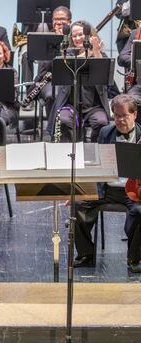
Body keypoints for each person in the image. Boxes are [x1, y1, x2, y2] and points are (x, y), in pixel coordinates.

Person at [73, 94, 141, 272]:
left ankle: (134, 259)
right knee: (77, 205)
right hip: (107, 188)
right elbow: (94, 165)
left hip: (134, 191)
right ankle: (86, 255)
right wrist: (81, 188)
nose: (119, 120)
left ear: (134, 115)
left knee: (139, 212)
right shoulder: (104, 132)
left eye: (124, 115)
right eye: (116, 116)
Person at [47, 20, 109, 143]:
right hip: (69, 105)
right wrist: (88, 53)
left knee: (102, 122)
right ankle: (67, 154)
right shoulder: (67, 54)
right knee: (63, 120)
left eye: (80, 34)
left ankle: (95, 152)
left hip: (94, 107)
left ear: (89, 36)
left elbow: (104, 82)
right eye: (74, 36)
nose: (77, 38)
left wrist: (95, 52)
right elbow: (64, 62)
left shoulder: (100, 55)